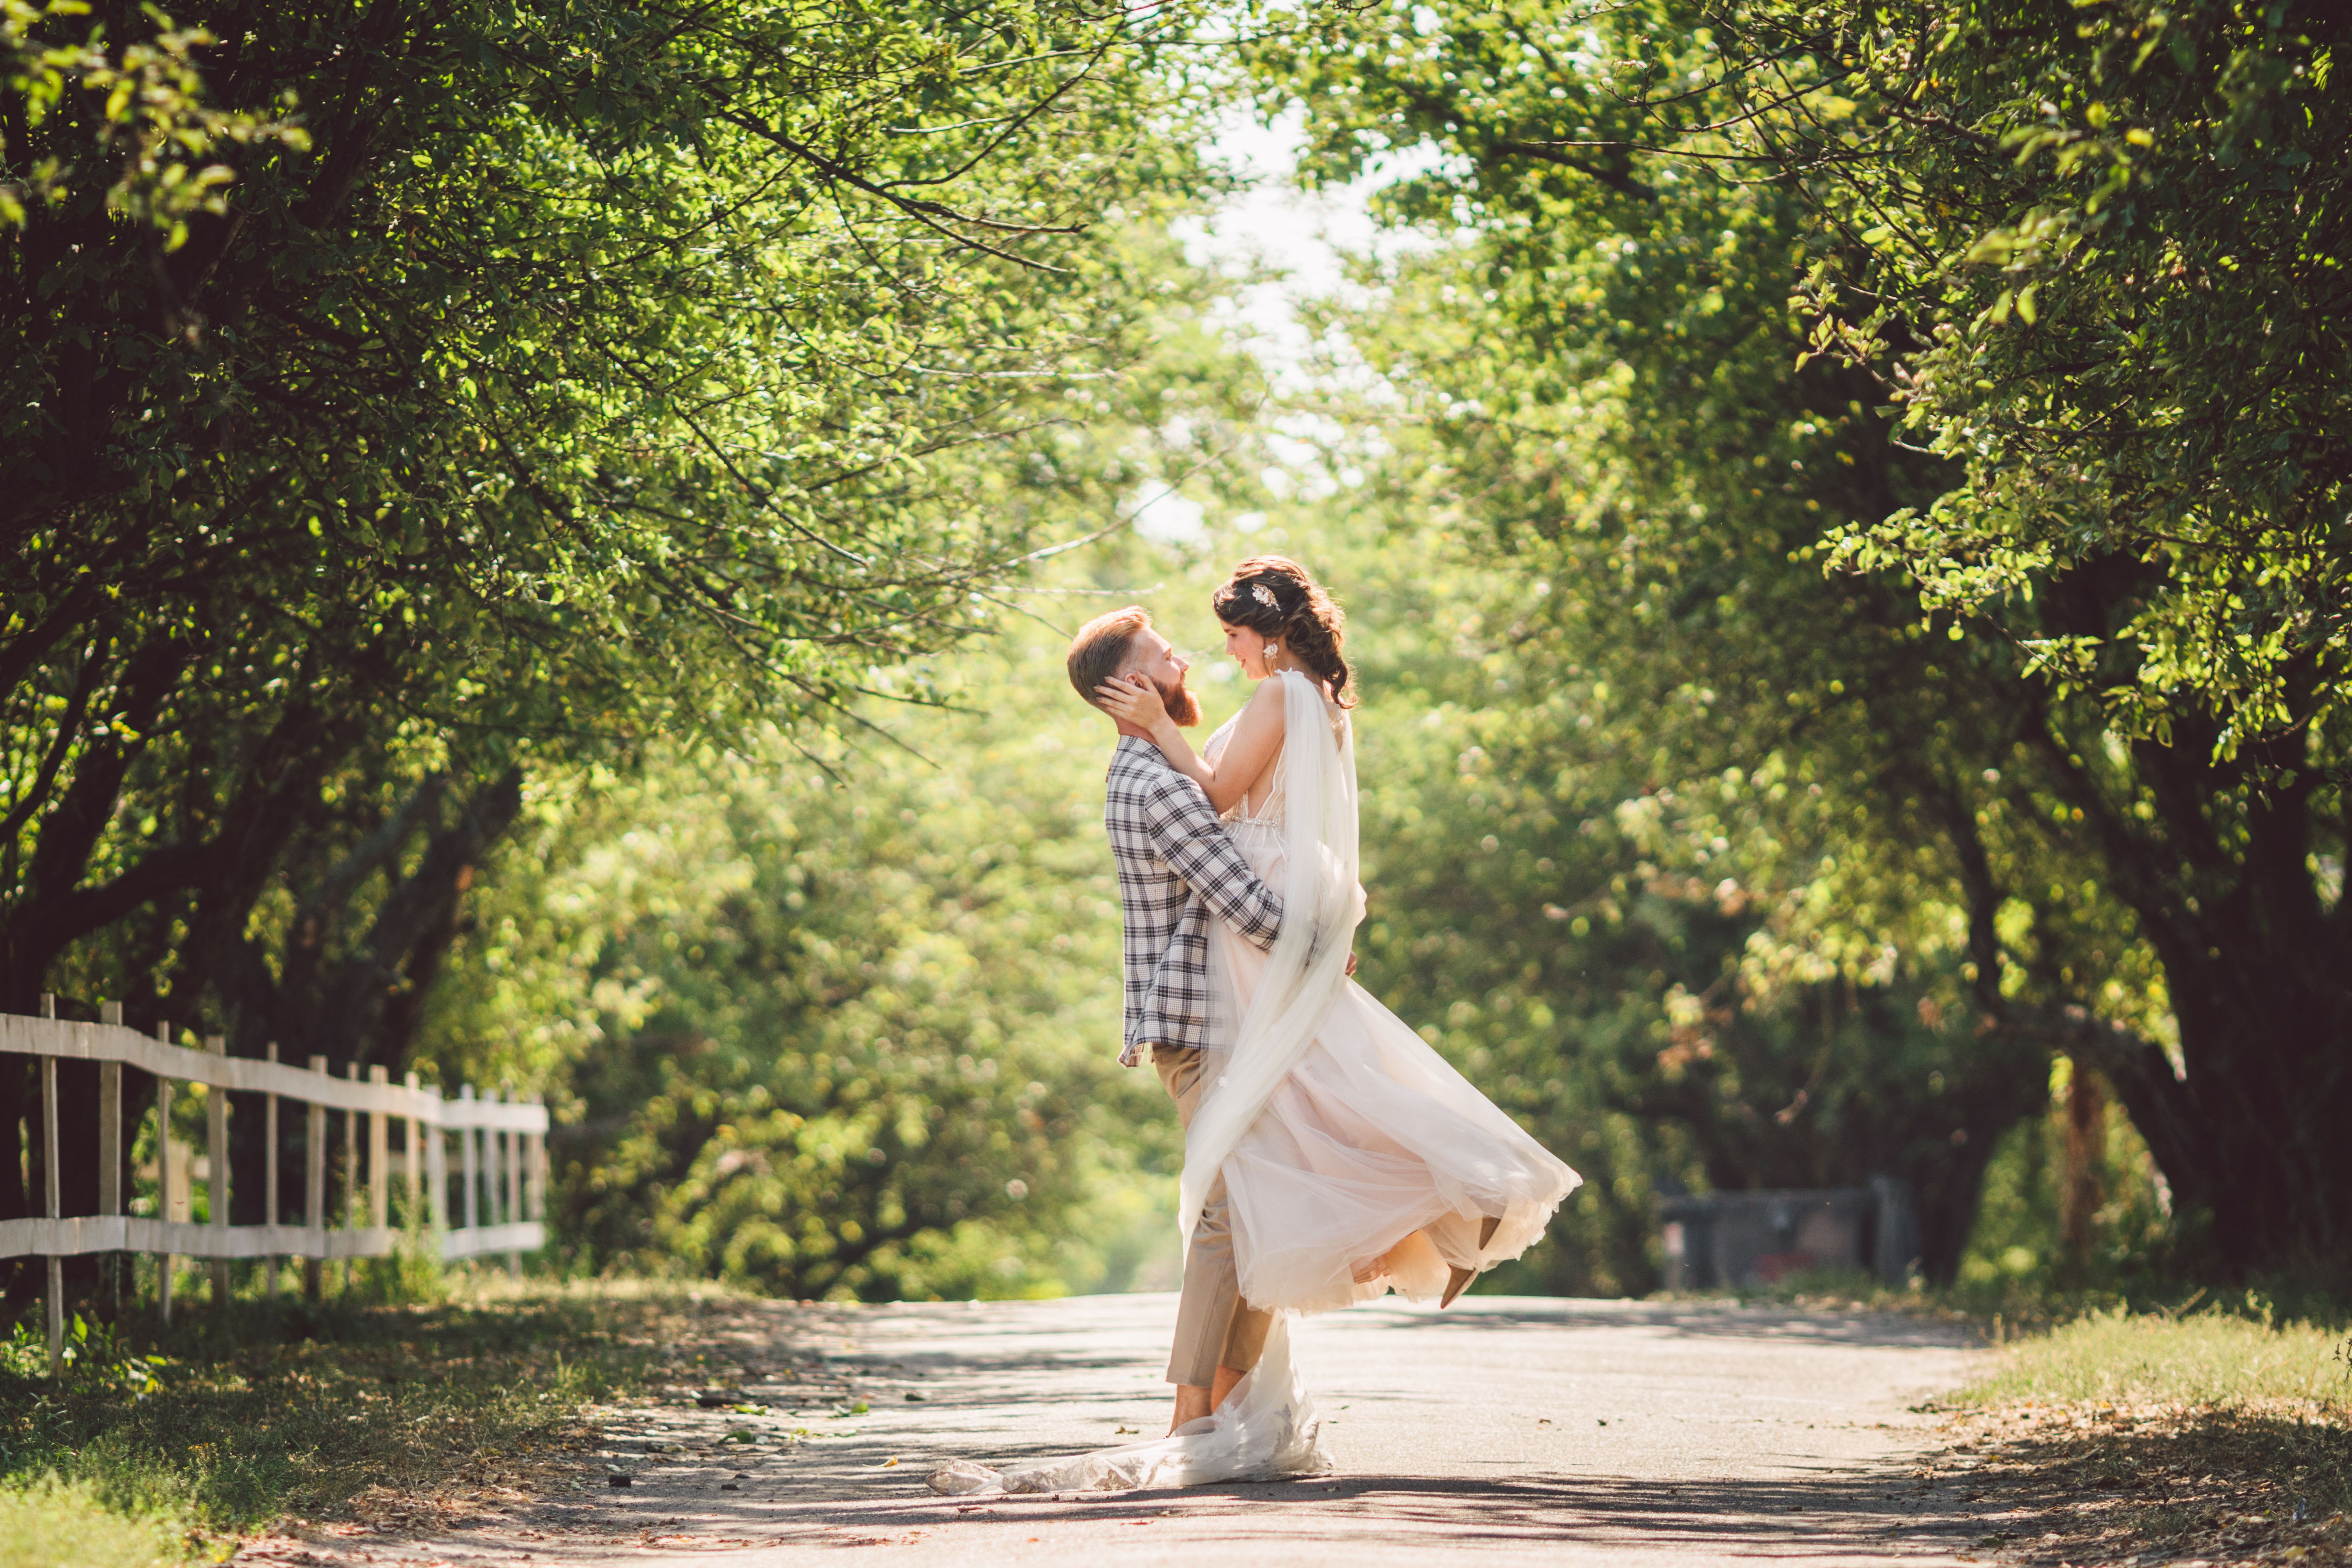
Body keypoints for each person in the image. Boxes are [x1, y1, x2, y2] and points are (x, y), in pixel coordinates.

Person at [926, 560, 1577, 1497]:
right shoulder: (1159, 775)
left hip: (1236, 991)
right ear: (1132, 684)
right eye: (1166, 651)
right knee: (1249, 1195)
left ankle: (1221, 1399)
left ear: (1267, 635)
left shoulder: (1240, 721)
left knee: (1263, 1187)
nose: (1201, 651)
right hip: (1208, 1007)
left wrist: (1320, 932)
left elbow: (1239, 830)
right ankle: (1212, 1401)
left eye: (1220, 634)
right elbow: (1241, 881)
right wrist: (1320, 933)